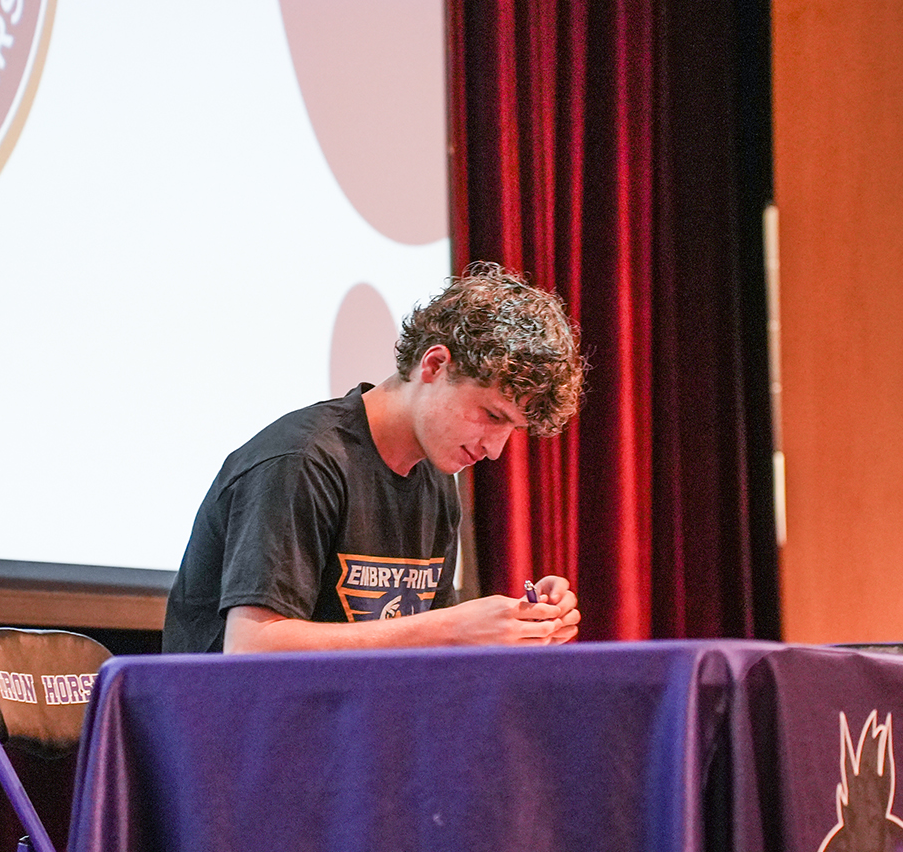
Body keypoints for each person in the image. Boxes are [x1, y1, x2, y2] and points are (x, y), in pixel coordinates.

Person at [162, 264, 586, 654]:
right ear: (434, 364)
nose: (494, 449)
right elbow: (252, 646)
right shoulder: (303, 460)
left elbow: (420, 655)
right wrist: (451, 627)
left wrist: (521, 626)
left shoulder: (437, 480)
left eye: (510, 430)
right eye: (491, 416)